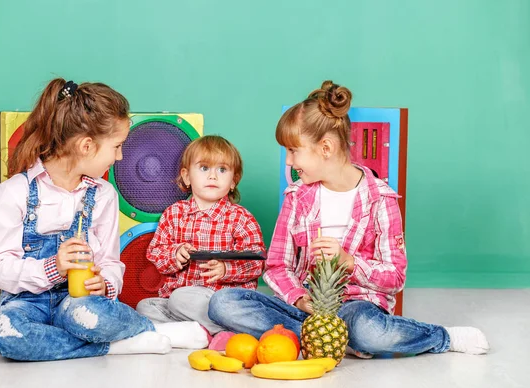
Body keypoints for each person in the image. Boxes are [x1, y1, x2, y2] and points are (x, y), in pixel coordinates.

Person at [208, 81, 489, 357]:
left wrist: (349, 262)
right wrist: (301, 299)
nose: (289, 163)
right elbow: (278, 265)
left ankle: (440, 337)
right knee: (223, 303)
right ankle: (331, 340)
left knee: (368, 330)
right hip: (305, 306)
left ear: (326, 148)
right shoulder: (297, 197)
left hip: (356, 306)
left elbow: (395, 276)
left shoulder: (380, 199)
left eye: (293, 151)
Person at [0, 78, 207, 361]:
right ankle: (117, 345)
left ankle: (146, 330)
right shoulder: (14, 193)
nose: (121, 155)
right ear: (87, 146)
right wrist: (52, 267)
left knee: (90, 315)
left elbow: (111, 262)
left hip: (79, 303)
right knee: (2, 332)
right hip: (26, 303)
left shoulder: (103, 195)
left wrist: (106, 284)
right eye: (117, 146)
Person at [137, 135, 265, 349]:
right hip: (178, 302)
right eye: (204, 168)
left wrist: (226, 269)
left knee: (181, 298)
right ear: (187, 177)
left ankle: (226, 333)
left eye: (222, 170)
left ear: (233, 181)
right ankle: (205, 334)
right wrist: (174, 254)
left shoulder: (240, 218)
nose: (213, 176)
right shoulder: (174, 214)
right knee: (145, 307)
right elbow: (156, 253)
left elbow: (257, 262)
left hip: (220, 300)